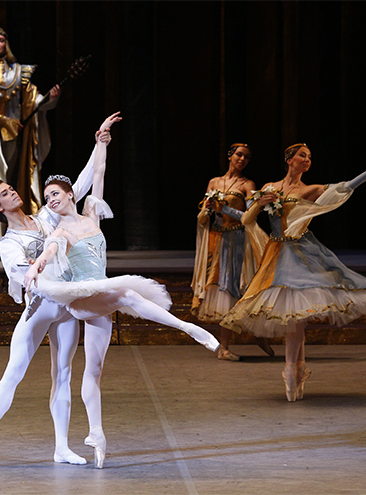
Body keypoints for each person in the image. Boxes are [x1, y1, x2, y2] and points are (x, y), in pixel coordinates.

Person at [24, 113, 220, 468]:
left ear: (69, 194)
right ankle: (189, 328)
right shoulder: (60, 233)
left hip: (103, 299)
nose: (50, 200)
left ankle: (96, 433)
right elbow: (50, 250)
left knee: (94, 371)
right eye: (46, 196)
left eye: (54, 194)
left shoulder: (92, 215)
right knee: (130, 296)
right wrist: (38, 265)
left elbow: (98, 176)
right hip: (83, 297)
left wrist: (102, 142)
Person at [0, 124, 107, 470]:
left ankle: (61, 447)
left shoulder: (45, 218)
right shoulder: (9, 243)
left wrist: (98, 143)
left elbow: (80, 186)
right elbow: (22, 275)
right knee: (14, 373)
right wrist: (50, 278)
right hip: (41, 307)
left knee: (63, 373)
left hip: (68, 306)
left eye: (11, 188)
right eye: (5, 194)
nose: (12, 192)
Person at [221, 143, 366, 401]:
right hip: (275, 255)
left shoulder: (310, 190)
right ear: (289, 159)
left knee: (295, 316)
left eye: (310, 157)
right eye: (303, 155)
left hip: (300, 254)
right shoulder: (269, 187)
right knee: (295, 317)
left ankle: (291, 370)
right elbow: (246, 221)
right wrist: (260, 203)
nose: (307, 160)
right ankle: (295, 370)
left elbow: (345, 187)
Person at [0, 27, 60, 262]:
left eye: (1, 39)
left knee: (18, 181)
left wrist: (50, 99)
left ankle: (29, 234)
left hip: (18, 136)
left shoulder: (19, 73)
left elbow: (32, 101)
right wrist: (5, 121)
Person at [191, 143, 272, 361]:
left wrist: (223, 208)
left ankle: (256, 334)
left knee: (236, 290)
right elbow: (204, 214)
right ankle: (229, 346)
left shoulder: (247, 185)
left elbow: (250, 216)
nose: (242, 159)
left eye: (246, 157)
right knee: (225, 292)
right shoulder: (214, 182)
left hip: (237, 241)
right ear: (230, 156)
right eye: (239, 155)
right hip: (217, 240)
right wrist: (207, 209)